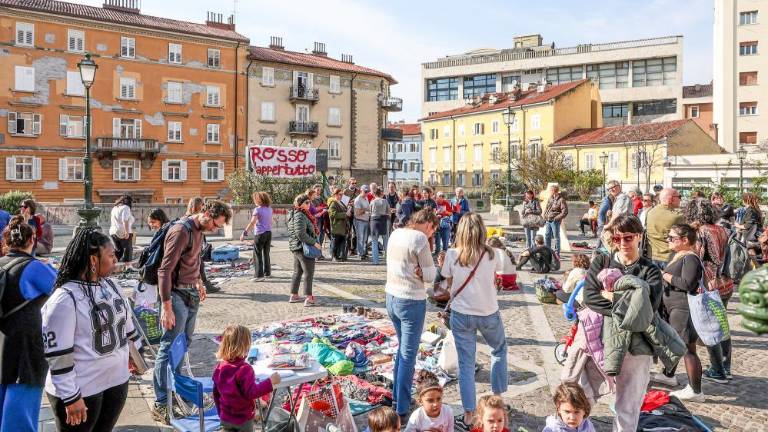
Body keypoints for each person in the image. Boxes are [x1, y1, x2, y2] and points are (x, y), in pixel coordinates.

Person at [43, 228, 139, 431]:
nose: (116, 260)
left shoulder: (113, 286)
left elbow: (128, 330)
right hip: (82, 389)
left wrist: (133, 356)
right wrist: (70, 396)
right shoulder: (65, 299)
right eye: (111, 255)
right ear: (93, 260)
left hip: (116, 381)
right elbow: (58, 356)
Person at [151, 200, 232, 422]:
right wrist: (166, 307)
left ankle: (174, 392)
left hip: (190, 294)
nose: (215, 229)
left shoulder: (200, 231)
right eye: (215, 224)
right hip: (175, 296)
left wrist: (198, 282)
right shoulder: (181, 231)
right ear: (206, 214)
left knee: (182, 346)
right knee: (169, 347)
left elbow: (193, 259)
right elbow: (164, 270)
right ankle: (160, 402)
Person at [582, 214, 662, 431]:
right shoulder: (602, 261)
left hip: (637, 346)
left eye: (628, 238)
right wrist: (629, 303)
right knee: (583, 396)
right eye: (617, 239)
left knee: (628, 404)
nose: (623, 243)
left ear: (639, 236)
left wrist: (611, 297)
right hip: (600, 341)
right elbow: (590, 297)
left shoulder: (650, 270)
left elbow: (647, 310)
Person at [442, 213, 508, 426]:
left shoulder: (452, 254)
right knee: (498, 350)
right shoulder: (493, 254)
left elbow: (448, 282)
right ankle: (497, 398)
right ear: (482, 231)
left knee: (466, 364)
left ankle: (469, 412)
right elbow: (504, 273)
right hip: (488, 311)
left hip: (462, 313)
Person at [0, 216, 56, 431]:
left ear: (7, 241)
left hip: (3, 341)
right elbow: (60, 287)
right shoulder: (33, 267)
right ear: (32, 239)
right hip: (26, 346)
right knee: (22, 410)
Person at [385, 209, 439, 422]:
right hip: (410, 300)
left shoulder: (396, 232)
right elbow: (430, 274)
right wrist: (422, 271)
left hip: (391, 296)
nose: (431, 234)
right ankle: (401, 407)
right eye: (432, 229)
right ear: (427, 224)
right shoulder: (419, 238)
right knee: (408, 355)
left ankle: (397, 399)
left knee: (402, 351)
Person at [649, 224, 705, 401]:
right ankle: (668, 375)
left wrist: (663, 275)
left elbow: (687, 283)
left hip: (684, 309)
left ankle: (696, 391)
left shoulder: (691, 258)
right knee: (673, 343)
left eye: (672, 238)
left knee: (688, 349)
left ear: (685, 240)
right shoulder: (679, 255)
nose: (668, 240)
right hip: (674, 307)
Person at [684, 200, 733, 382]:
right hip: (724, 283)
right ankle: (726, 366)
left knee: (710, 326)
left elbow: (698, 257)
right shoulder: (721, 229)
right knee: (722, 325)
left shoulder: (701, 232)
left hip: (708, 284)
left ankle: (718, 370)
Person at [213, 325, 280, 432]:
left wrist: (220, 413)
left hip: (225, 416)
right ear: (245, 346)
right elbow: (252, 393)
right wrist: (270, 382)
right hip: (243, 418)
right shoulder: (245, 369)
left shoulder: (220, 367)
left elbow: (216, 393)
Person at [287, 194, 322, 306]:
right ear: (299, 204)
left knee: (298, 272)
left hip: (297, 247)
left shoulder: (298, 214)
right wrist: (314, 243)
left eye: (309, 202)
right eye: (306, 203)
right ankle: (309, 298)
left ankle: (294, 295)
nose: (309, 204)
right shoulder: (299, 215)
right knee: (308, 273)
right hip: (303, 247)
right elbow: (301, 234)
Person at [645, 188, 685, 270]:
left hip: (652, 255)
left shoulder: (649, 212)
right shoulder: (676, 217)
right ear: (671, 199)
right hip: (669, 257)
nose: (680, 199)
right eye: (679, 197)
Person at [241, 192, 273, 280]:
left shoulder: (257, 209)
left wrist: (244, 233)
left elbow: (252, 222)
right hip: (268, 233)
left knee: (257, 254)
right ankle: (267, 272)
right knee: (266, 253)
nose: (254, 201)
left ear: (259, 200)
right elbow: (270, 221)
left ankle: (259, 275)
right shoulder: (269, 209)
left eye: (255, 199)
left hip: (260, 234)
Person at [543, 184, 568, 256]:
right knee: (547, 235)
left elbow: (565, 212)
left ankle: (557, 253)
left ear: (554, 191)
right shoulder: (550, 198)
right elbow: (547, 208)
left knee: (556, 237)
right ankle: (548, 251)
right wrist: (545, 215)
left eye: (550, 190)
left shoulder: (561, 200)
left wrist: (556, 218)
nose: (549, 191)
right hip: (548, 220)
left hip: (555, 221)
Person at [108, 194, 135, 262]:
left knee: (118, 251)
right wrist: (127, 232)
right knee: (127, 251)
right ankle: (127, 268)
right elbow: (124, 220)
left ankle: (113, 264)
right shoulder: (126, 207)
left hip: (113, 232)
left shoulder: (115, 208)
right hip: (123, 231)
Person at [328, 188, 350, 262]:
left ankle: (340, 256)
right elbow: (332, 214)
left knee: (341, 242)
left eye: (342, 194)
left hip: (342, 227)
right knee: (335, 243)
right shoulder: (333, 203)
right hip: (336, 227)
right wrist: (345, 214)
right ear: (335, 194)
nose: (341, 196)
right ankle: (334, 256)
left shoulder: (340, 202)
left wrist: (348, 211)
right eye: (340, 194)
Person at [370, 188, 390, 265]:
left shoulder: (372, 201)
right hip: (383, 221)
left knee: (374, 242)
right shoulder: (385, 201)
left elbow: (371, 211)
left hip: (374, 221)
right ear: (381, 194)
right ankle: (387, 260)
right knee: (385, 241)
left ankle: (375, 261)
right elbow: (388, 212)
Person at [354, 185, 372, 260]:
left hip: (366, 220)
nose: (367, 193)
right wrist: (366, 210)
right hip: (359, 221)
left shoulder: (366, 198)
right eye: (365, 191)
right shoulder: (358, 200)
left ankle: (363, 253)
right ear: (361, 191)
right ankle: (360, 254)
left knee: (365, 239)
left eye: (368, 191)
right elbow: (357, 213)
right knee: (360, 238)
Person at [344, 178, 360, 255]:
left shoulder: (358, 191)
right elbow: (343, 203)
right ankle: (349, 249)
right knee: (348, 231)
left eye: (355, 183)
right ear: (349, 183)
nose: (354, 184)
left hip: (356, 212)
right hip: (349, 213)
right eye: (352, 183)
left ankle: (354, 249)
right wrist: (350, 203)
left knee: (356, 231)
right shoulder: (346, 191)